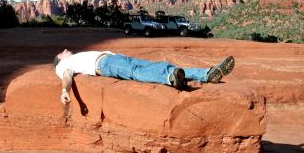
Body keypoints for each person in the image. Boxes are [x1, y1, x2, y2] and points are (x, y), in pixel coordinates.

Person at [53, 49, 235, 104]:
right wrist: (64, 90)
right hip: (105, 64)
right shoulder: (62, 66)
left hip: (115, 57)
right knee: (137, 73)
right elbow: (67, 76)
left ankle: (207, 74)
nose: (64, 50)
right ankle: (170, 78)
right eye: (61, 52)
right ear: (59, 60)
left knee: (158, 66)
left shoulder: (71, 57)